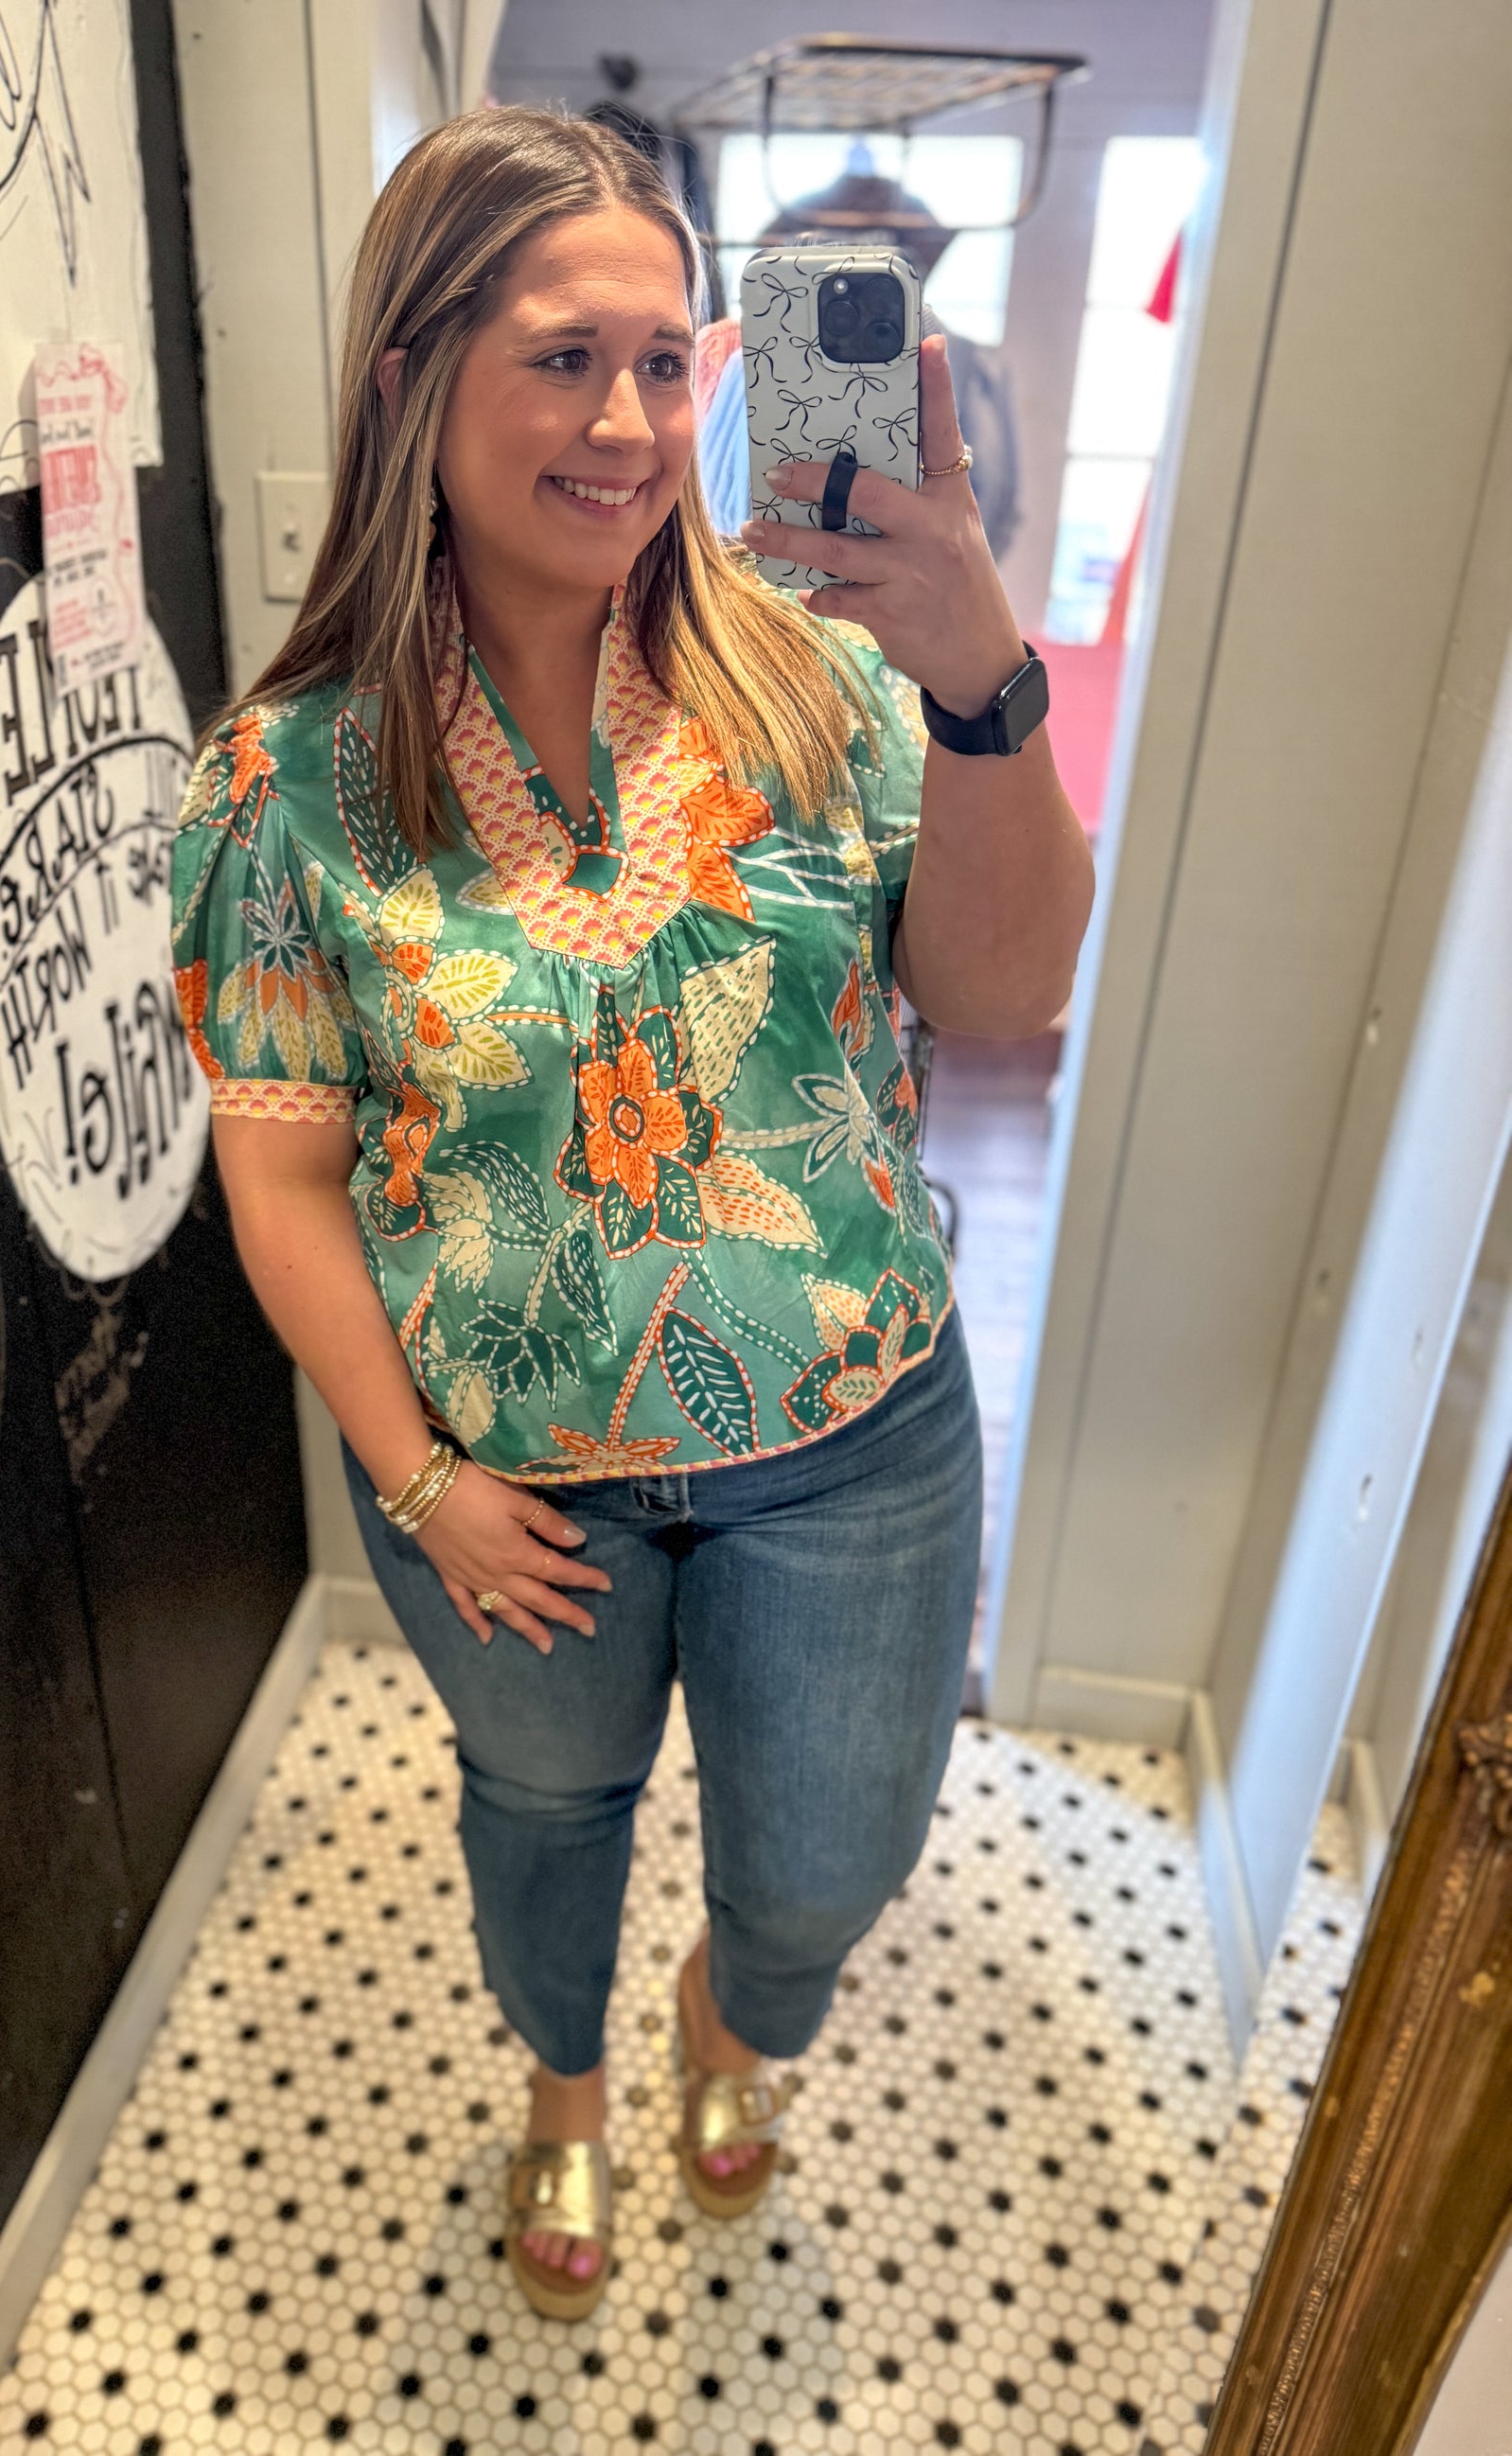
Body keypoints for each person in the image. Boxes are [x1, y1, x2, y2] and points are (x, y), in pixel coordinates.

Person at [170, 106, 1092, 2323]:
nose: (631, 421)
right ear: (411, 376)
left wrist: (983, 679)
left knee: (825, 1861)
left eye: (671, 362)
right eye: (565, 355)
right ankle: (567, 2086)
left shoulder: (826, 679)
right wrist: (413, 1474)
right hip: (504, 1484)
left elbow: (1002, 991)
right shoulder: (285, 781)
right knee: (541, 1817)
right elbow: (279, 1167)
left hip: (852, 1433)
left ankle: (724, 2023)